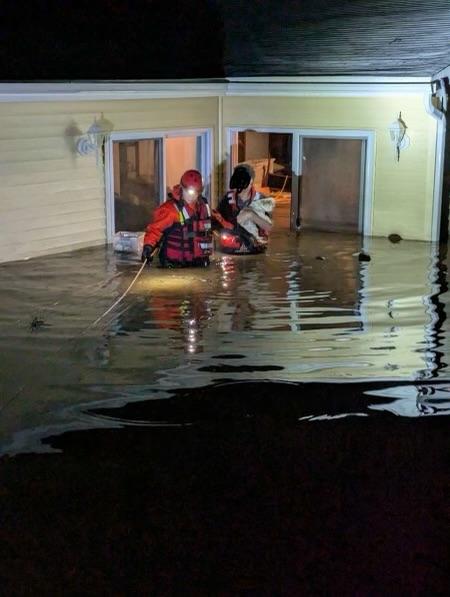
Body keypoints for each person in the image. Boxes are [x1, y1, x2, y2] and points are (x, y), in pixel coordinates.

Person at [141, 169, 212, 267]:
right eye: (188, 191)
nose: (191, 196)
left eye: (195, 192)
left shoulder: (203, 207)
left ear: (199, 192)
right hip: (175, 266)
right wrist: (148, 247)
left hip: (199, 264)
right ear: (181, 188)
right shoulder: (170, 210)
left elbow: (212, 226)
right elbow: (154, 230)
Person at [213, 163, 275, 254]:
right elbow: (217, 222)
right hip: (231, 250)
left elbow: (268, 227)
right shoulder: (227, 199)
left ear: (251, 182)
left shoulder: (261, 200)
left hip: (254, 252)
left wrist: (252, 216)